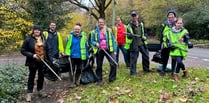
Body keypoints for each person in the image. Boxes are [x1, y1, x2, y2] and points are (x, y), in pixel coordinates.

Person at [21, 25, 52, 102]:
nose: (37, 31)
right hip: (32, 62)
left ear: (40, 31)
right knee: (31, 77)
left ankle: (40, 90)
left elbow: (47, 50)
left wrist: (51, 60)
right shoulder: (28, 40)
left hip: (42, 61)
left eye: (38, 30)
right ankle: (29, 93)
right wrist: (32, 55)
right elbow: (23, 50)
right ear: (33, 31)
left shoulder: (43, 39)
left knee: (41, 76)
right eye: (35, 30)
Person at [90, 18, 117, 85]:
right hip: (99, 50)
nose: (101, 23)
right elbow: (92, 41)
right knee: (99, 65)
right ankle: (99, 80)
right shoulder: (94, 32)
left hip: (109, 49)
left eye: (102, 22)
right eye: (99, 22)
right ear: (97, 23)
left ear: (104, 23)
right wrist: (95, 43)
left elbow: (113, 40)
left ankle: (112, 78)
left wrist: (115, 50)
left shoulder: (109, 30)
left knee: (113, 63)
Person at [125, 10, 151, 76]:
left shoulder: (141, 24)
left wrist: (145, 36)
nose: (134, 17)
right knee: (133, 59)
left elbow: (145, 32)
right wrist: (130, 35)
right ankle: (133, 73)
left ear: (137, 16)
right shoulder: (129, 26)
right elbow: (128, 36)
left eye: (135, 15)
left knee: (146, 56)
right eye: (133, 16)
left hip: (142, 43)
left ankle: (146, 69)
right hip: (134, 45)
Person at [65, 23, 89, 88]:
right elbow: (67, 46)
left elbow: (86, 46)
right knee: (72, 70)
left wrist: (87, 55)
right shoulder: (70, 36)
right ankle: (72, 82)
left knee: (79, 69)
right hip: (72, 56)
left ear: (80, 30)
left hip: (81, 56)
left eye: (78, 29)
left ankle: (76, 81)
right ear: (73, 29)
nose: (77, 30)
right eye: (75, 29)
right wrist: (68, 53)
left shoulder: (84, 36)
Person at [159, 10, 177, 76]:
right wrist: (160, 44)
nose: (171, 16)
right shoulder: (164, 24)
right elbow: (161, 34)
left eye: (172, 15)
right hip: (166, 44)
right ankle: (163, 70)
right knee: (165, 58)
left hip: (174, 44)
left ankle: (173, 72)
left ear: (175, 16)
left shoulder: (178, 23)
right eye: (169, 15)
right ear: (167, 17)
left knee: (174, 58)